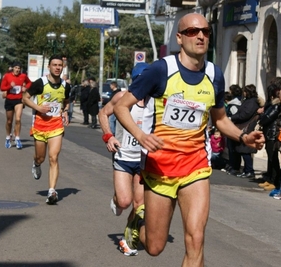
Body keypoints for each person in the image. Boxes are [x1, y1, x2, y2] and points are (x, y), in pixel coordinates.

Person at [113, 13, 265, 265]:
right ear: (180, 38)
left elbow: (219, 119)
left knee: (196, 239)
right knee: (154, 247)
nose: (201, 36)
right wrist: (141, 135)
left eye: (205, 31)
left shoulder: (214, 75)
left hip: (196, 167)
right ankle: (137, 220)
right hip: (159, 169)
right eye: (193, 32)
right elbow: (121, 107)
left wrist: (244, 136)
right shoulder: (161, 70)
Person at [98, 63, 148, 256]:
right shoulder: (122, 97)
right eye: (138, 81)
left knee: (139, 205)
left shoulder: (156, 101)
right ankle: (116, 199)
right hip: (123, 157)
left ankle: (128, 240)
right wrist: (108, 136)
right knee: (125, 201)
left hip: (144, 160)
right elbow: (103, 113)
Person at [23, 55, 70, 205]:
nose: (57, 67)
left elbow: (66, 101)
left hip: (56, 125)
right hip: (40, 125)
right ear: (49, 67)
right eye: (54, 65)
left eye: (59, 65)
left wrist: (65, 111)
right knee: (41, 157)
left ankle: (51, 191)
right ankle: (36, 164)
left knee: (53, 157)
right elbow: (25, 97)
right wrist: (38, 107)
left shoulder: (65, 85)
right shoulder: (40, 83)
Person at [258, 87, 281, 190]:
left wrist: (262, 119)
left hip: (273, 134)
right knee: (271, 158)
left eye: (280, 95)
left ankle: (275, 181)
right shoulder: (277, 105)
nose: (278, 96)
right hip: (270, 133)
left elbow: (269, 117)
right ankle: (271, 179)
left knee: (274, 159)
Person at [0, 62, 32, 149]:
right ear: (13, 68)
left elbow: (29, 83)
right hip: (9, 100)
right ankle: (7, 137)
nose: (17, 70)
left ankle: (17, 138)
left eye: (19, 68)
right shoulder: (7, 76)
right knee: (9, 121)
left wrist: (26, 88)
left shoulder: (23, 76)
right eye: (16, 68)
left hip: (19, 100)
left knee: (18, 119)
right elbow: (2, 87)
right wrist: (10, 86)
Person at [231, 84, 260, 178]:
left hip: (247, 127)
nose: (243, 93)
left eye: (245, 91)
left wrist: (233, 117)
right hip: (243, 126)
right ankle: (246, 170)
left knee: (245, 151)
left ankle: (249, 170)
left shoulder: (252, 102)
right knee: (243, 150)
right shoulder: (248, 101)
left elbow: (245, 114)